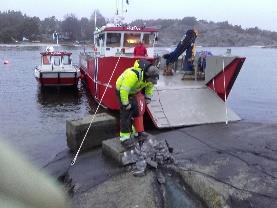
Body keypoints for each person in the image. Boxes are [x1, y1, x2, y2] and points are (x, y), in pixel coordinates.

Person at [116, 59, 159, 148]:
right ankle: (125, 138)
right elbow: (124, 90)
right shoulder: (133, 75)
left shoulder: (149, 78)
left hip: (134, 90)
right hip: (122, 90)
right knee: (126, 114)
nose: (151, 82)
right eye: (150, 80)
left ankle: (138, 133)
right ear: (147, 75)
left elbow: (150, 87)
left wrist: (148, 97)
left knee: (138, 111)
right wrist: (126, 104)